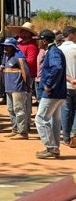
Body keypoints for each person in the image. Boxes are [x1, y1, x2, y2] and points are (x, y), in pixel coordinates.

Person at [34, 29, 67, 160]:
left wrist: (48, 84)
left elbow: (57, 67)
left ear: (44, 41)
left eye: (39, 40)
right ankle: (54, 148)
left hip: (52, 93)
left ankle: (51, 148)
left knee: (40, 119)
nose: (37, 42)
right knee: (54, 121)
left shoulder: (53, 52)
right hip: (58, 92)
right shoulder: (54, 51)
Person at [0, 38, 31, 140]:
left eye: (8, 46)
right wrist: (1, 67)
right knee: (10, 109)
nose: (5, 48)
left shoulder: (19, 57)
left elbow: (26, 73)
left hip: (18, 88)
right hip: (8, 87)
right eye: (4, 46)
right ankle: (15, 129)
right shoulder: (6, 56)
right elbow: (3, 65)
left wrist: (28, 85)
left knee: (19, 109)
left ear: (13, 47)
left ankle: (23, 132)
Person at [60, 25, 76, 148]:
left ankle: (65, 138)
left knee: (65, 111)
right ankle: (74, 134)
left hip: (63, 85)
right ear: (72, 35)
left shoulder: (58, 50)